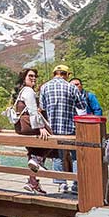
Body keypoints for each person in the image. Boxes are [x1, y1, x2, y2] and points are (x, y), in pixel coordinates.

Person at [40, 65, 87, 194]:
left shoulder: (44, 87)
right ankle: (76, 185)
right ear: (66, 74)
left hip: (52, 129)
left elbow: (42, 108)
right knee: (75, 157)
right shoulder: (72, 87)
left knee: (57, 157)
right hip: (70, 128)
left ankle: (61, 185)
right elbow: (82, 105)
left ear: (54, 73)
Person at [11, 68, 53, 194]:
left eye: (35, 76)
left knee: (32, 151)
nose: (33, 78)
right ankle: (37, 161)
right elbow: (33, 110)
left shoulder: (21, 91)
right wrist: (41, 127)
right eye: (30, 76)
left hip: (21, 126)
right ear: (24, 78)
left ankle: (32, 182)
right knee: (51, 139)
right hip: (28, 125)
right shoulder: (28, 91)